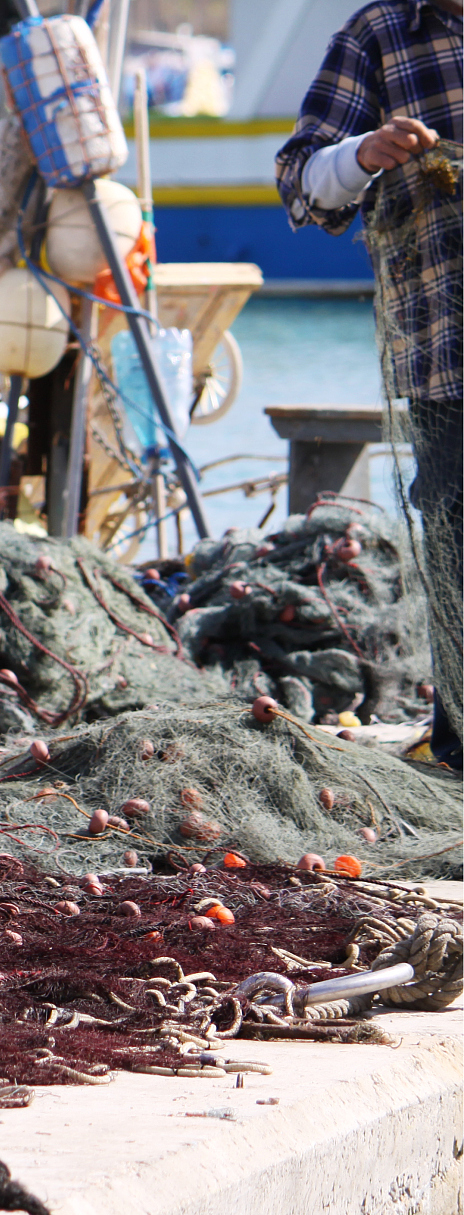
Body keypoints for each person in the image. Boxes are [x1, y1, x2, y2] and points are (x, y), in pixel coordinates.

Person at [274, 0, 461, 768]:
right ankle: (457, 740)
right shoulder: (378, 35)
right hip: (447, 354)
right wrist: (364, 153)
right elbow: (299, 182)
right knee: (457, 541)